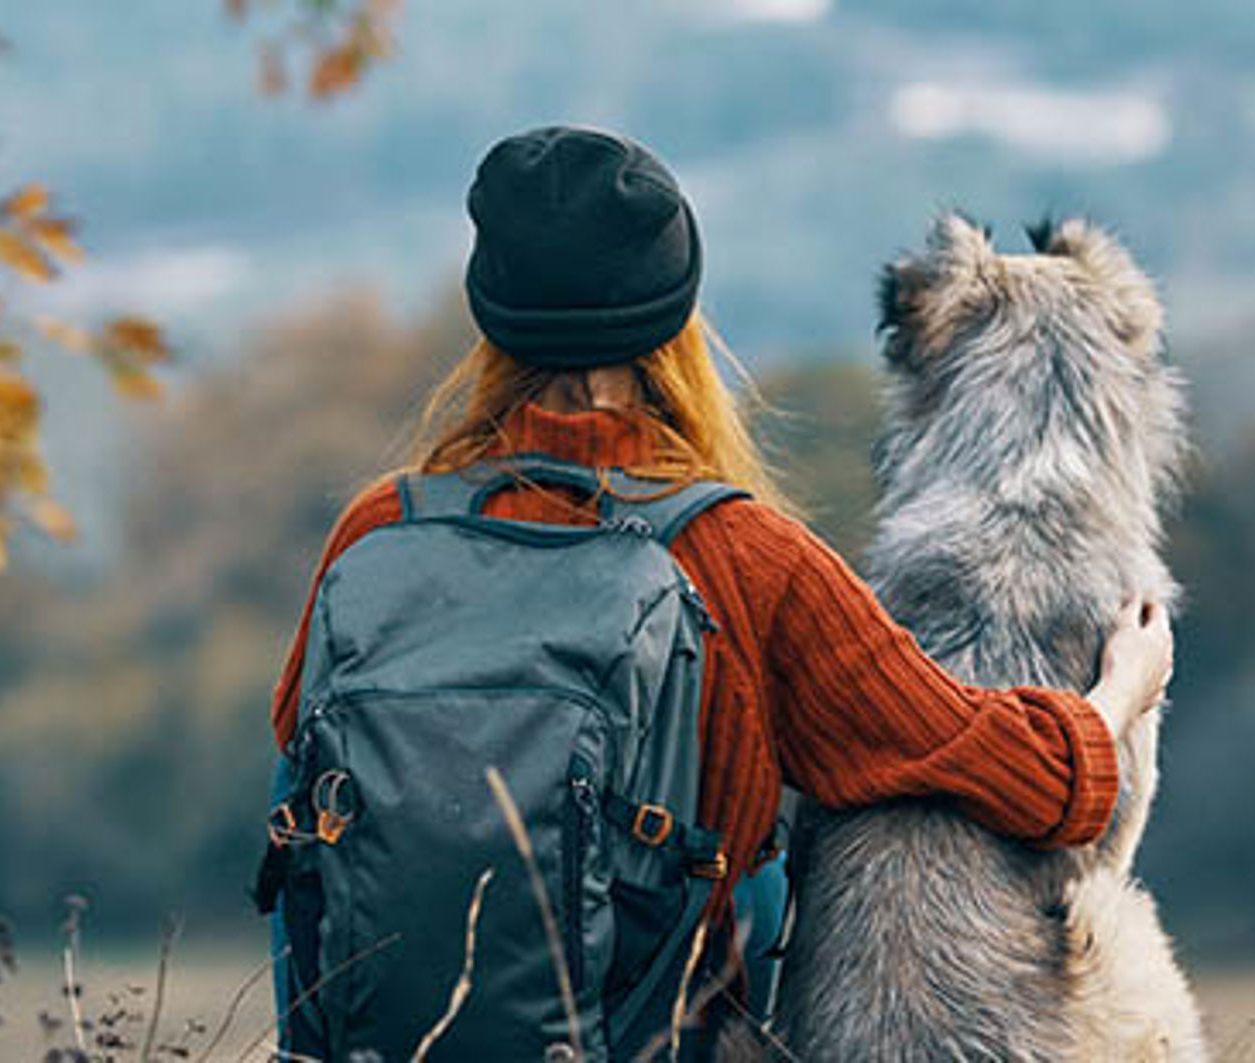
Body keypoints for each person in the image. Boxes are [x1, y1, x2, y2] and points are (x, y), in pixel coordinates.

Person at [267, 124, 1173, 1051]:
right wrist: (1118, 693)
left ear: (490, 313)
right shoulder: (746, 555)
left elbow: (303, 770)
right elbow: (989, 764)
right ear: (676, 318)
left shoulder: (379, 527)